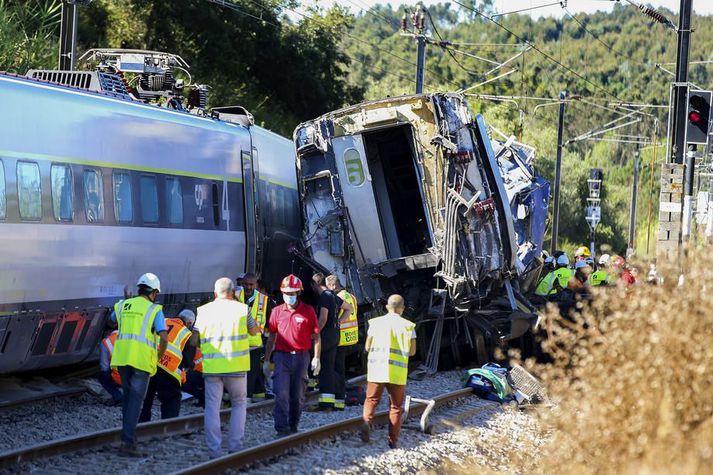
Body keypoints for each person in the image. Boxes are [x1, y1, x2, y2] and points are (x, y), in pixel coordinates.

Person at [197, 277, 258, 458]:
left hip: (212, 368)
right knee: (239, 404)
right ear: (233, 292)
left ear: (215, 293)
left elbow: (194, 339)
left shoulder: (203, 311)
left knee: (212, 408)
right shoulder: (242, 309)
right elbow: (254, 331)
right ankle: (235, 447)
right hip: (236, 367)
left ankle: (214, 451)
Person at [110, 273, 168, 456]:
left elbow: (112, 320)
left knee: (128, 399)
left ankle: (128, 438)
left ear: (139, 288)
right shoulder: (154, 309)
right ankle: (127, 443)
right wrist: (159, 354)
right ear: (155, 292)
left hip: (122, 358)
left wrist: (128, 303)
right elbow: (164, 336)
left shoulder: (123, 305)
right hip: (141, 361)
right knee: (135, 402)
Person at [263, 274, 321, 437]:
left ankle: (293, 426)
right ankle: (281, 428)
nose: (289, 296)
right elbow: (272, 337)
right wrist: (267, 360)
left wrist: (316, 357)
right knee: (281, 393)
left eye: (292, 293)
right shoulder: (276, 312)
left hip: (302, 357)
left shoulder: (308, 311)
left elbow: (316, 336)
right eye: (286, 293)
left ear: (298, 293)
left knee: (297, 397)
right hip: (282, 357)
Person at [360, 294, 416, 449]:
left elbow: (367, 347)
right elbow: (412, 352)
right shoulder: (408, 326)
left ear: (387, 307)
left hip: (376, 369)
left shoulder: (375, 323)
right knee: (396, 407)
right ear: (402, 308)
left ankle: (366, 422)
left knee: (371, 400)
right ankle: (393, 440)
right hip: (396, 373)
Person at [139, 309, 198, 422]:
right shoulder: (187, 334)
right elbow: (188, 360)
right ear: (189, 323)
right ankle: (167, 426)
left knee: (146, 398)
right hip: (169, 371)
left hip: (149, 365)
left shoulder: (163, 321)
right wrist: (191, 365)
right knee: (172, 399)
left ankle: (142, 425)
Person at [310, 272, 353, 410]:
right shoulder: (334, 295)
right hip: (335, 334)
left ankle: (325, 402)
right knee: (333, 368)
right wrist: (338, 322)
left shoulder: (324, 297)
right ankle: (337, 401)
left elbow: (322, 318)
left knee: (324, 368)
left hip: (326, 335)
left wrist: (314, 333)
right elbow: (349, 308)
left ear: (315, 284)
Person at [325, 274, 358, 411]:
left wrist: (337, 322)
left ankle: (339, 397)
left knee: (337, 369)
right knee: (340, 368)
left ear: (333, 285)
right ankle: (340, 397)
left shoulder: (339, 297)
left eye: (328, 287)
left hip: (341, 337)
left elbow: (344, 312)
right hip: (350, 336)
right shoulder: (351, 296)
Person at [237, 273, 271, 402]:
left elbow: (269, 323)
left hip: (254, 344)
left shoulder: (264, 300)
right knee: (243, 372)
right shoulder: (235, 296)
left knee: (250, 372)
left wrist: (267, 342)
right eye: (245, 284)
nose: (248, 287)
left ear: (256, 285)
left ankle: (247, 399)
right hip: (237, 342)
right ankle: (259, 392)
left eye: (251, 284)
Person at [98, 329, 122, 405]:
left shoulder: (106, 342)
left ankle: (118, 397)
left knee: (102, 377)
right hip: (136, 375)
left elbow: (104, 367)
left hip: (120, 377)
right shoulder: (131, 336)